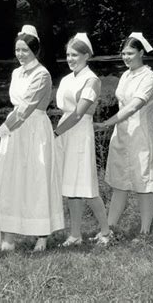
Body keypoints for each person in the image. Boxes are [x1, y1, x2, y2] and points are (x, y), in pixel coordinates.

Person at [0, 25, 64, 252]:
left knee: (36, 179)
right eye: (17, 50)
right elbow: (16, 109)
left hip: (34, 130)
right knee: (10, 179)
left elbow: (25, 110)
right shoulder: (16, 73)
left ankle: (42, 235)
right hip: (15, 130)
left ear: (35, 51)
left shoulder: (42, 74)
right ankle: (8, 237)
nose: (20, 54)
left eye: (25, 50)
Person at [95, 32, 153, 236]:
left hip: (140, 135)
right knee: (119, 182)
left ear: (141, 52)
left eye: (130, 53)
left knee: (143, 183)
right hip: (121, 134)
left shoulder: (149, 77)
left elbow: (133, 107)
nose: (126, 57)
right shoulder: (125, 75)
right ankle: (109, 228)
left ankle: (145, 232)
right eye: (123, 53)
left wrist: (106, 122)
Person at [54, 33, 112, 247]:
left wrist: (55, 133)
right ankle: (75, 234)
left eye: (75, 55)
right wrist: (59, 133)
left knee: (87, 186)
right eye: (68, 55)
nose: (70, 59)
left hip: (79, 133)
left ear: (86, 55)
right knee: (70, 187)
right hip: (65, 132)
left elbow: (78, 113)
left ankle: (106, 231)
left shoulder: (92, 80)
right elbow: (66, 110)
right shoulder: (67, 79)